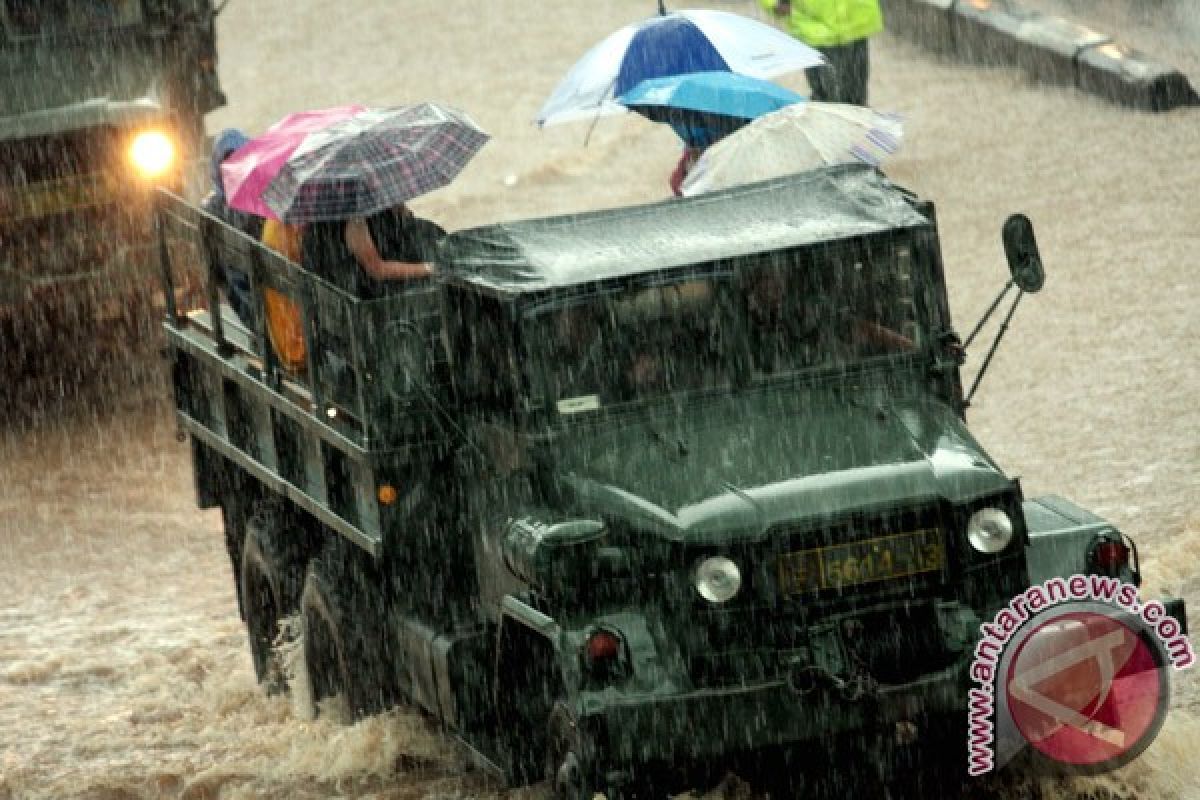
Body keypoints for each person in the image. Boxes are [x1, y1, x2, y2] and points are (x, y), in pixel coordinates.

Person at [302, 205, 444, 299]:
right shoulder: (353, 217)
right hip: (356, 293)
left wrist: (398, 207)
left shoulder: (360, 202)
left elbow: (405, 222)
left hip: (353, 282)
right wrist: (429, 268)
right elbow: (377, 270)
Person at [760, 0, 883, 106]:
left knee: (856, 100)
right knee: (828, 101)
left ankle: (853, 131)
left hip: (857, 23)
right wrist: (774, 3)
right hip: (815, 30)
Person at [202, 128, 264, 328]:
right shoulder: (267, 196)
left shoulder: (211, 208)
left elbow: (215, 271)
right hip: (268, 307)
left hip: (251, 309)